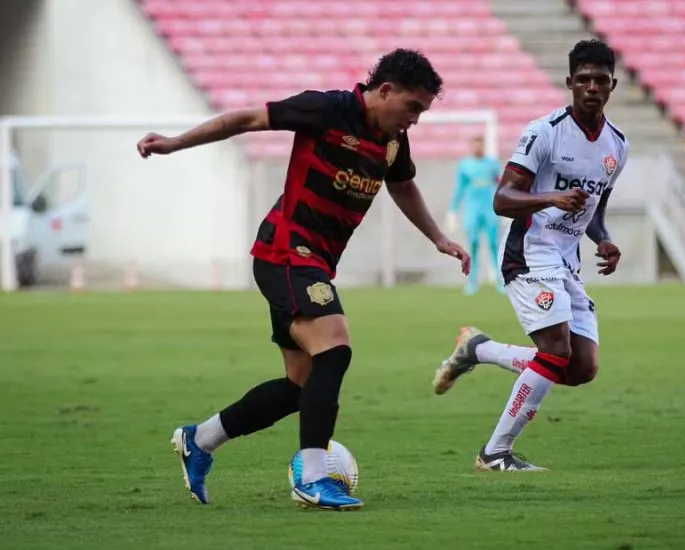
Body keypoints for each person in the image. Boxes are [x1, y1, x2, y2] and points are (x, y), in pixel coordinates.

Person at [137, 49, 471, 510]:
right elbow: (247, 119)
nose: (415, 119)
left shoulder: (393, 139)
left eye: (422, 112)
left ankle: (201, 440)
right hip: (286, 251)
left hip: (311, 262)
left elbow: (401, 184)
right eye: (413, 107)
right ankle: (313, 477)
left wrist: (438, 236)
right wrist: (175, 143)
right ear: (386, 90)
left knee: (300, 384)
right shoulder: (327, 109)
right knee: (335, 349)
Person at [432, 39, 629, 471]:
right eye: (583, 80)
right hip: (527, 252)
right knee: (555, 352)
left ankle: (478, 349)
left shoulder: (618, 146)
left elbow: (592, 210)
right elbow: (503, 199)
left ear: (613, 84)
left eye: (600, 80)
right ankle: (495, 453)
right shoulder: (544, 131)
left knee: (581, 368)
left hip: (565, 261)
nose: (592, 87)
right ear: (569, 84)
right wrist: (551, 198)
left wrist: (604, 239)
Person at [445, 136, 503, 295]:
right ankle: (472, 282)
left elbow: (501, 185)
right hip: (472, 209)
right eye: (475, 145)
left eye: (481, 145)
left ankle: (500, 281)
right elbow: (460, 188)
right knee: (473, 244)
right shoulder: (465, 165)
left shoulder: (492, 164)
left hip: (490, 208)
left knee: (494, 244)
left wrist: (505, 209)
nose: (478, 148)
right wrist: (453, 210)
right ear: (471, 147)